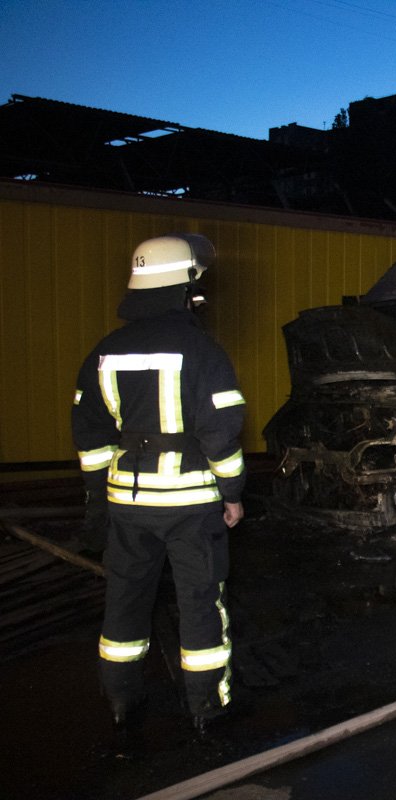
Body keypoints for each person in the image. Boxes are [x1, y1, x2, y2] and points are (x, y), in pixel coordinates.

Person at [72, 234, 246, 733]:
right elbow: (221, 432)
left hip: (126, 503)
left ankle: (122, 702)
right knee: (199, 603)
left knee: (124, 600)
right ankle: (207, 707)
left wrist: (99, 498)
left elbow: (90, 433)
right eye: (196, 283)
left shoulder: (105, 351)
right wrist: (232, 496)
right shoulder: (201, 350)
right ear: (182, 286)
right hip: (191, 505)